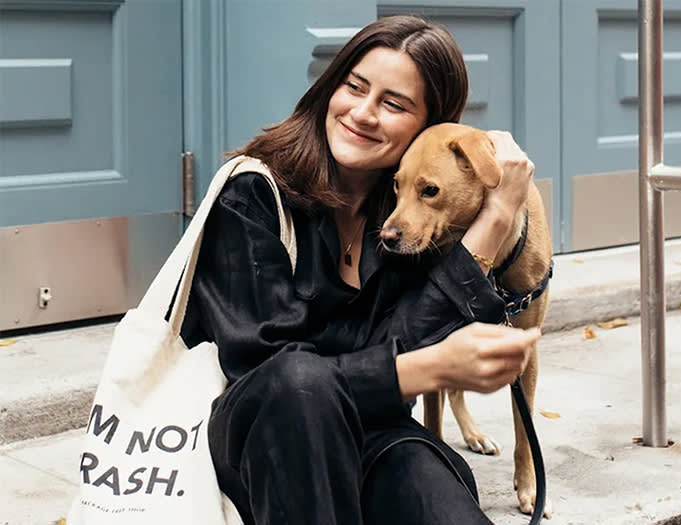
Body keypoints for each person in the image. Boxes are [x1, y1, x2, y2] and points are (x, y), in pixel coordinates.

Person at [181, 14, 540, 525]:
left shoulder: (405, 220)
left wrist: (498, 214)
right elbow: (275, 381)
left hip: (374, 437)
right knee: (299, 379)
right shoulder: (252, 195)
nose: (363, 113)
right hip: (262, 449)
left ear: (427, 129)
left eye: (393, 104)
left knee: (432, 490)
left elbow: (409, 336)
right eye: (354, 87)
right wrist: (428, 370)